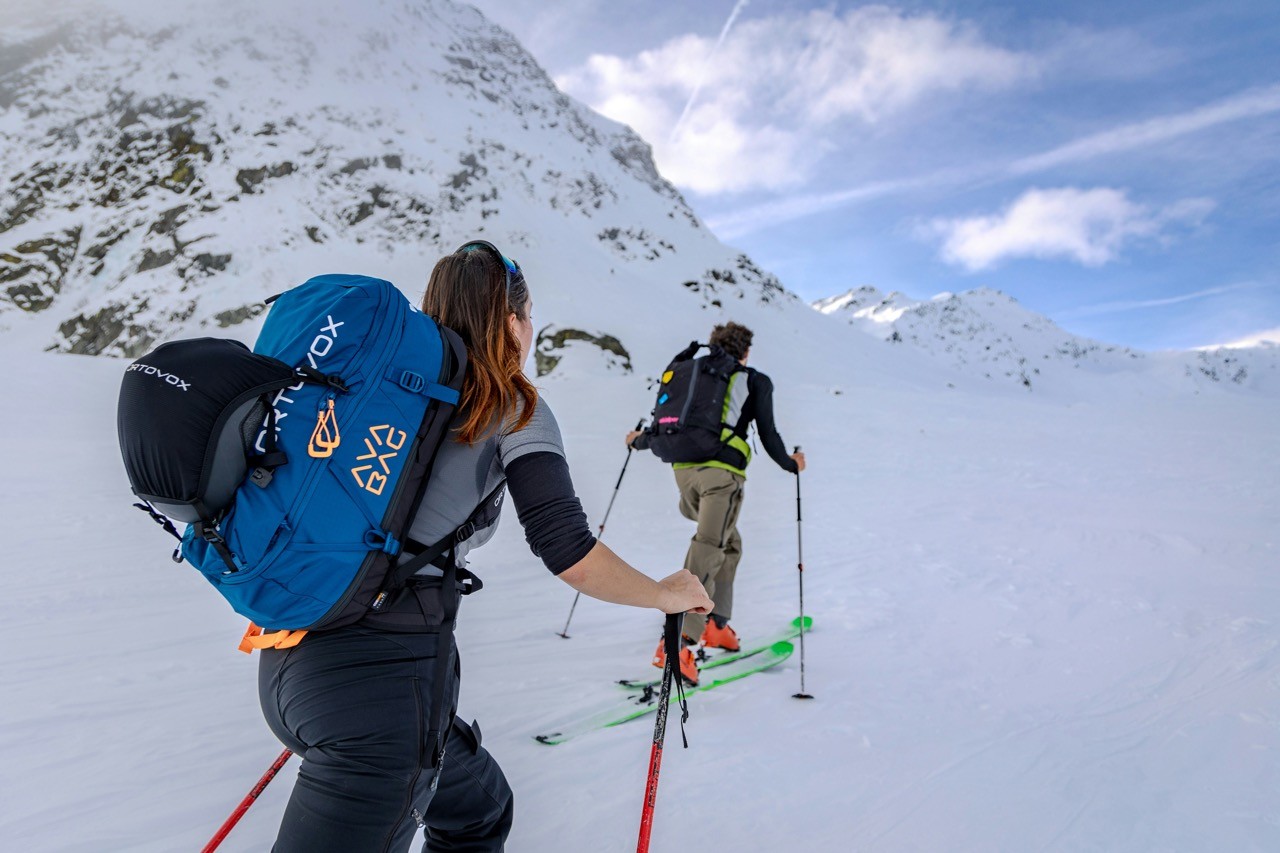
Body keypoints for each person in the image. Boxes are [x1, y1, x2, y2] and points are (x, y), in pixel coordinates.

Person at [257, 241, 712, 852]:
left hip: (290, 665)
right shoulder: (512, 405)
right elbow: (567, 549)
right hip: (384, 690)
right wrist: (664, 593)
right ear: (510, 322)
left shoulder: (373, 393)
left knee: (478, 808)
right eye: (529, 320)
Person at [626, 321, 804, 685]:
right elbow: (768, 434)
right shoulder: (752, 379)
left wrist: (637, 441)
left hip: (684, 474)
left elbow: (668, 425)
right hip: (721, 478)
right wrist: (791, 464)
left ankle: (717, 624)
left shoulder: (692, 374)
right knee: (707, 548)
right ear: (746, 351)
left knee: (729, 544)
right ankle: (677, 642)